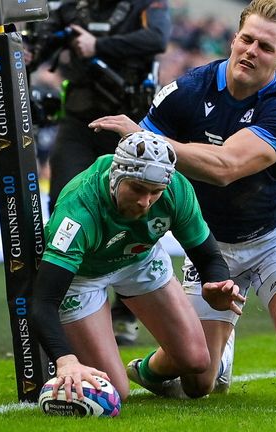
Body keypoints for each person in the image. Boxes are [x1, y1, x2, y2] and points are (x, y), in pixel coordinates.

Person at [89, 0, 276, 401]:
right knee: (197, 382)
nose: (251, 51)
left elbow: (225, 166)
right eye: (247, 39)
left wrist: (146, 138)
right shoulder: (186, 91)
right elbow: (142, 168)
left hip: (271, 238)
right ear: (233, 38)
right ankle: (159, 368)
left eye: (264, 47)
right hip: (208, 245)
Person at [29, 131, 243, 402]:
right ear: (116, 176)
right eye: (138, 189)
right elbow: (44, 302)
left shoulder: (176, 188)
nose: (145, 202)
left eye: (155, 193)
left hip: (139, 258)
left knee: (197, 362)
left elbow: (209, 257)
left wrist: (216, 283)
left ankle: (146, 372)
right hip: (83, 277)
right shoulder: (77, 212)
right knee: (112, 392)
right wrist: (66, 360)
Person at [27, 0, 172, 345]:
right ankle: (69, 308)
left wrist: (98, 47)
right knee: (63, 202)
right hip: (78, 121)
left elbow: (157, 39)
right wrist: (26, 51)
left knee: (134, 208)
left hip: (127, 124)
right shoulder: (70, 7)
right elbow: (44, 42)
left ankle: (124, 310)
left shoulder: (147, 4)